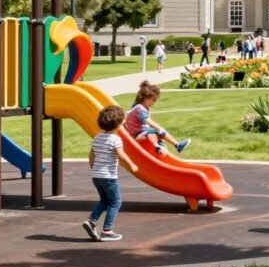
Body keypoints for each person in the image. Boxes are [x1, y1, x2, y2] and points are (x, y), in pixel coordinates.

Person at [82, 105, 138, 242]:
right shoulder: (115, 139)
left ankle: (91, 221)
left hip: (96, 176)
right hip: (108, 177)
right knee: (115, 202)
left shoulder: (97, 137)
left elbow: (91, 155)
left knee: (104, 200)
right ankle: (107, 230)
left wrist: (94, 168)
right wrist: (132, 164)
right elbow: (121, 154)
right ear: (117, 124)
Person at [124, 81, 191, 155]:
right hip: (135, 136)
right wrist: (159, 128)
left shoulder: (140, 107)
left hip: (139, 133)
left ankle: (168, 145)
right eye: (153, 100)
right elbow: (147, 121)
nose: (154, 102)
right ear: (145, 98)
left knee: (154, 131)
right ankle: (160, 146)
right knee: (154, 130)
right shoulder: (140, 108)